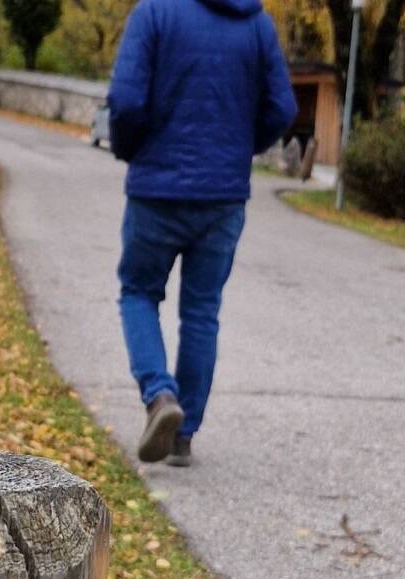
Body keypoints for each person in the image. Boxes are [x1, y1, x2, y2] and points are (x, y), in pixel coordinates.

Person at [107, 0, 297, 467]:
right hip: (223, 197)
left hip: (157, 189)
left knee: (138, 291)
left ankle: (159, 396)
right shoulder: (255, 23)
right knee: (201, 311)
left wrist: (130, 150)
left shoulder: (154, 13)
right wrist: (238, 149)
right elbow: (282, 108)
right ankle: (183, 436)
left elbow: (127, 101)